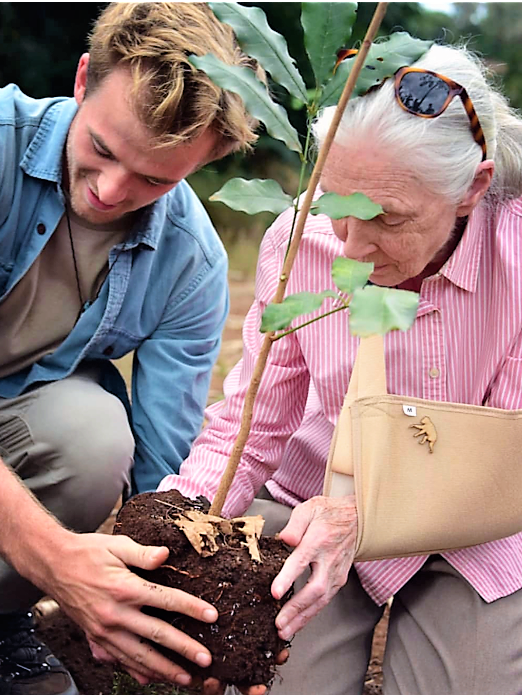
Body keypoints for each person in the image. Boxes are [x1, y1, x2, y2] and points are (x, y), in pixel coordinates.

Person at [158, 42, 522, 695]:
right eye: (336, 204)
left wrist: (360, 518)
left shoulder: (516, 256)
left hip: (474, 529)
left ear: (473, 186)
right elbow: (252, 424)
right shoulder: (302, 240)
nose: (350, 248)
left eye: (386, 217)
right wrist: (174, 517)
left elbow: (507, 465)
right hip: (312, 507)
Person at [0, 3, 270, 694]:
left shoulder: (191, 262)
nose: (109, 191)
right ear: (80, 79)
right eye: (102, 148)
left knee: (95, 439)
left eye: (155, 179)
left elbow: (169, 479)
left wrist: (177, 625)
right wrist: (59, 565)